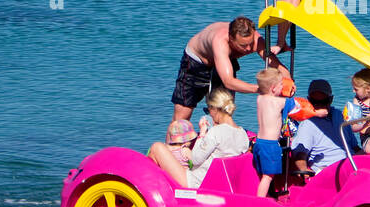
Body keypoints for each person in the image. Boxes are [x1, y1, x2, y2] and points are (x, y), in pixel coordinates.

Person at [170, 16, 283, 124]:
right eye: (243, 45)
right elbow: (228, 81)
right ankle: (171, 144)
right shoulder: (219, 41)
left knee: (223, 113)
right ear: (231, 39)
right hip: (196, 62)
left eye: (250, 43)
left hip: (226, 62)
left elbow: (277, 65)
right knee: (181, 118)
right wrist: (259, 89)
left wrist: (287, 83)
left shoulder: (256, 40)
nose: (248, 49)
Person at [149, 88, 248, 188]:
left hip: (196, 182)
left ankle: (152, 189)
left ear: (214, 109)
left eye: (208, 110)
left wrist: (202, 133)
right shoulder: (243, 134)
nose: (209, 114)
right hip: (218, 183)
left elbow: (195, 160)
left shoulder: (215, 132)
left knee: (157, 147)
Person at [291, 79, 357, 174]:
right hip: (328, 171)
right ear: (309, 100)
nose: (319, 106)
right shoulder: (308, 123)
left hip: (351, 165)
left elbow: (354, 146)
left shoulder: (339, 115)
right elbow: (300, 155)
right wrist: (304, 171)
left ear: (331, 100)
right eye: (315, 102)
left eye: (324, 101)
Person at [253, 67, 296, 196]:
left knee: (262, 175)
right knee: (268, 177)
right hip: (270, 145)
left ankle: (264, 196)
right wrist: (291, 92)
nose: (283, 88)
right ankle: (259, 204)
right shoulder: (278, 102)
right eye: (281, 85)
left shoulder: (260, 99)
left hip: (259, 142)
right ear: (273, 88)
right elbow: (294, 104)